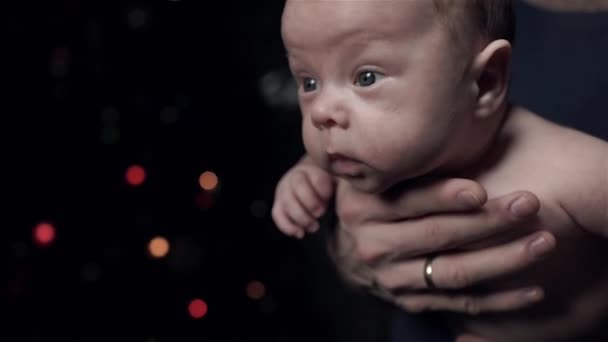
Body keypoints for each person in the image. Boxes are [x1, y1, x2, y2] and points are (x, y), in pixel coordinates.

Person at [271, 0, 608, 341]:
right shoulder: (364, 151)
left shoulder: (570, 167)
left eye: (366, 77)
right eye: (309, 82)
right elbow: (332, 182)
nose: (321, 112)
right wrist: (309, 177)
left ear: (486, 81)